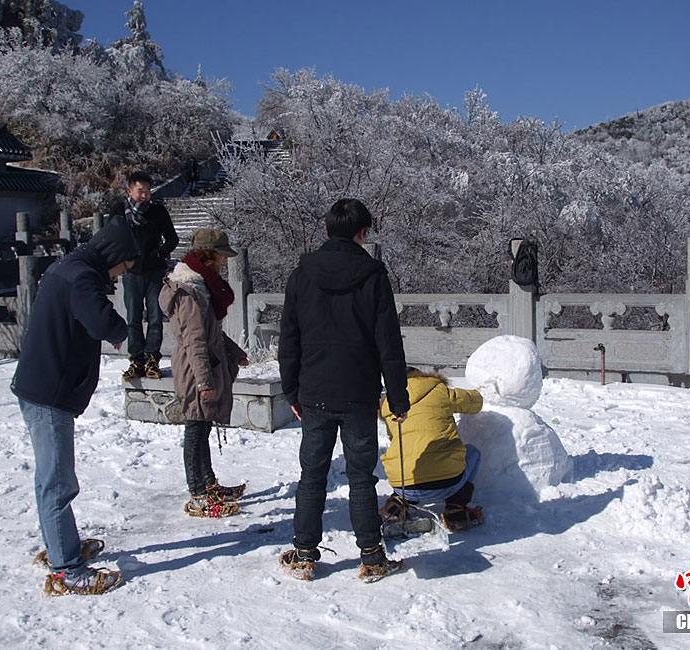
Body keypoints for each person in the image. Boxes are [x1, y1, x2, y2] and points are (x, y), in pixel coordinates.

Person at [277, 198, 410, 582]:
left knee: (312, 475)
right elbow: (388, 340)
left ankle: (304, 554)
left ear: (327, 230)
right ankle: (371, 555)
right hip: (359, 391)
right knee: (360, 476)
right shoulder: (372, 274)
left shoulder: (301, 274)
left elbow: (290, 337)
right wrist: (397, 396)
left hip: (314, 390)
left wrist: (291, 391)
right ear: (361, 232)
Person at [11, 219, 139, 596]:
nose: (120, 275)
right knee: (58, 481)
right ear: (114, 256)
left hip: (41, 386)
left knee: (49, 479)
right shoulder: (81, 276)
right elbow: (100, 319)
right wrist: (125, 332)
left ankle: (59, 545)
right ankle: (67, 568)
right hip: (49, 393)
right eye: (124, 267)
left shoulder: (70, 266)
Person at [159, 228, 249, 518]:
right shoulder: (189, 292)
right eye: (222, 256)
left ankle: (208, 483)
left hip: (206, 363)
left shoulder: (202, 287)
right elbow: (195, 340)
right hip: (195, 368)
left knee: (204, 426)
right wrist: (203, 381)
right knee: (196, 430)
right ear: (209, 256)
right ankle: (197, 492)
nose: (224, 262)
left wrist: (234, 352)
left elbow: (211, 333)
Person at [379, 367, 485, 532]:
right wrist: (484, 391)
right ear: (421, 376)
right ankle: (456, 507)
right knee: (473, 453)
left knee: (406, 459)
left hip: (403, 485)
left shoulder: (388, 404)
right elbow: (474, 403)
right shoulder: (438, 390)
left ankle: (397, 505)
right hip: (448, 483)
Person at [112, 171, 178, 381]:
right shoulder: (120, 212)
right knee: (133, 317)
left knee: (155, 317)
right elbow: (111, 238)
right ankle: (136, 359)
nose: (145, 196)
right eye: (140, 191)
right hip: (131, 272)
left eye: (148, 191)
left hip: (154, 270)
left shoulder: (157, 211)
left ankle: (152, 359)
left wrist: (159, 253)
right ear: (129, 190)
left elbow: (172, 239)